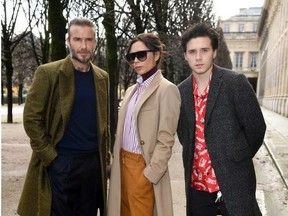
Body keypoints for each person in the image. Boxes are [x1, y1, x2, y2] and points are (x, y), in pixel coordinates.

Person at [17, 17, 110, 216]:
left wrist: (106, 159)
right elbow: (31, 119)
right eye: (77, 39)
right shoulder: (48, 73)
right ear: (68, 41)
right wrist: (51, 158)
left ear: (95, 41)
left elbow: (104, 124)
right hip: (62, 162)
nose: (83, 46)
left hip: (92, 165)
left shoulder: (102, 77)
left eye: (88, 40)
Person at [177, 23, 266, 216]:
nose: (198, 57)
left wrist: (236, 156)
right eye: (192, 52)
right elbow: (184, 135)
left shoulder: (235, 83)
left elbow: (256, 129)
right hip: (197, 186)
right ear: (185, 55)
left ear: (214, 52)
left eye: (204, 50)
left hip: (233, 181)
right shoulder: (180, 92)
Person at [107, 33, 181, 216]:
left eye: (141, 55)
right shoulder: (131, 90)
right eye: (132, 57)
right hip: (121, 168)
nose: (136, 61)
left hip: (142, 169)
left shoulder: (167, 89)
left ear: (156, 55)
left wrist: (150, 174)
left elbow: (166, 139)